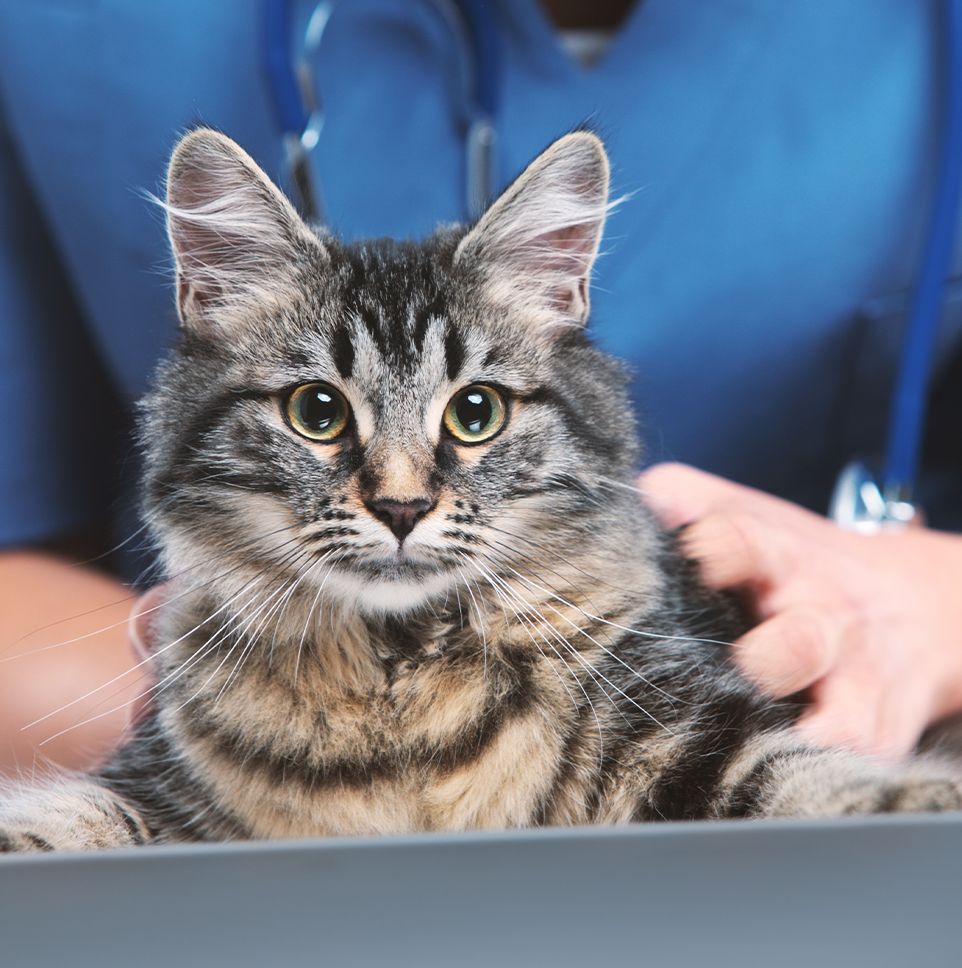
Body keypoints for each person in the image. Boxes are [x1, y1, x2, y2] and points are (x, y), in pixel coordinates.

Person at [2, 0, 962, 774]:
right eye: (319, 411)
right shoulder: (69, 27)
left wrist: (933, 606)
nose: (403, 493)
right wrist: (260, 741)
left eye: (472, 410)